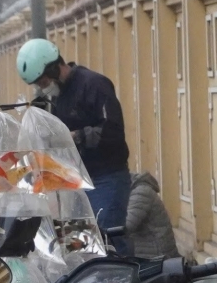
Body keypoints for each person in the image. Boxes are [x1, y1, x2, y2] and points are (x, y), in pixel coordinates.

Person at [16, 38, 132, 253]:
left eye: (42, 82)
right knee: (83, 242)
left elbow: (112, 130)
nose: (43, 88)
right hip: (76, 179)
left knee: (108, 236)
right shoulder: (57, 97)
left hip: (106, 177)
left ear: (53, 68)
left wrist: (75, 136)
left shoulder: (93, 84)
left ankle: (129, 280)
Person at [124, 171, 179, 260]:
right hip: (146, 253)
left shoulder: (141, 192)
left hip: (157, 256)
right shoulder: (132, 191)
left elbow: (126, 226)